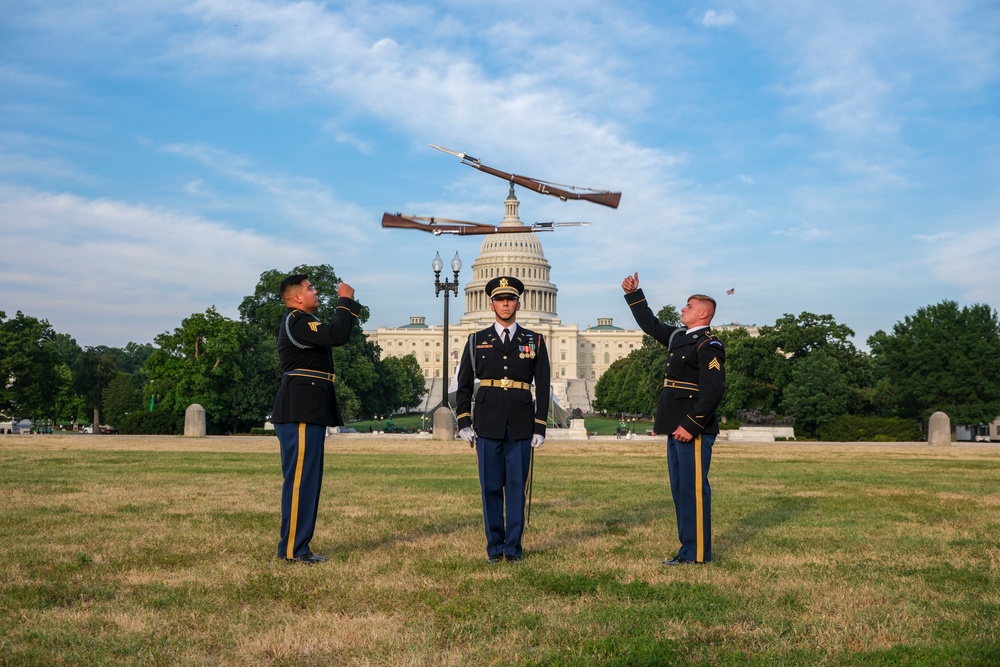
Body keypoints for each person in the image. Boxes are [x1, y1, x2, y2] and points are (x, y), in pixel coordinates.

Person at [621, 272, 725, 565]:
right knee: (681, 491)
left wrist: (691, 425)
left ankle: (698, 554)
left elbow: (713, 389)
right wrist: (634, 295)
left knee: (693, 490)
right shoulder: (681, 338)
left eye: (689, 306)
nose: (683, 310)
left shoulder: (709, 345)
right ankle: (687, 550)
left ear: (703, 313)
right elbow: (651, 325)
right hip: (674, 423)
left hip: (691, 426)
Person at [456, 276, 550, 563]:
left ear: (518, 303)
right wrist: (463, 422)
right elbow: (463, 384)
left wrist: (540, 426)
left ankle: (513, 548)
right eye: (500, 299)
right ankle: (494, 548)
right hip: (488, 420)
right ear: (491, 303)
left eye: (510, 299)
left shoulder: (534, 340)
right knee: (490, 487)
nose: (505, 303)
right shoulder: (476, 340)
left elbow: (543, 384)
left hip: (521, 423)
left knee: (516, 489)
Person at [271, 273, 361, 564]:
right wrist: (344, 300)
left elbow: (335, 332)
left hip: (308, 407)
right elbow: (337, 335)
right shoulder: (298, 320)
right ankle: (292, 550)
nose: (315, 291)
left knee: (308, 481)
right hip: (300, 408)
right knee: (301, 481)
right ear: (297, 297)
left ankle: (299, 546)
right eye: (310, 288)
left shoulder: (304, 322)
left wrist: (348, 305)